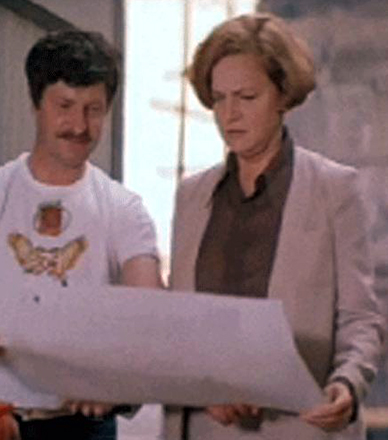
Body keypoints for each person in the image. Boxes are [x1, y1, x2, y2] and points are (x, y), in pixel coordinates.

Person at [0, 30, 162, 440]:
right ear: (36, 104)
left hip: (82, 426)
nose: (79, 125)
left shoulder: (124, 209)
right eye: (65, 106)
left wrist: (114, 378)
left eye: (93, 110)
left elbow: (151, 312)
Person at [164, 12, 386, 440]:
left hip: (300, 426)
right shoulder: (192, 196)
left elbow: (360, 319)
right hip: (205, 428)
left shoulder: (335, 189)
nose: (230, 114)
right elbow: (179, 323)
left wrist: (347, 384)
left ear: (282, 95)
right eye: (219, 98)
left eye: (246, 97)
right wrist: (200, 386)